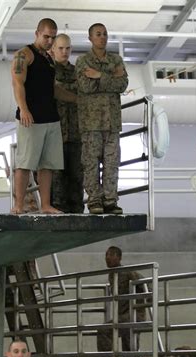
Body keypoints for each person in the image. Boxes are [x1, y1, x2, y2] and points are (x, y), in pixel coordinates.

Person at [10, 18, 76, 215]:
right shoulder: (24, 55)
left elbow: (53, 89)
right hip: (30, 118)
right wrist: (24, 109)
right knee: (25, 163)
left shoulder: (48, 59)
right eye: (46, 36)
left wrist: (77, 99)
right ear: (37, 33)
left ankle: (45, 204)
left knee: (47, 165)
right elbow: (17, 83)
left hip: (51, 118)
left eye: (52, 37)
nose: (49, 40)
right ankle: (19, 205)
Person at [76, 23, 128, 215]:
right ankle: (94, 200)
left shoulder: (116, 59)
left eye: (105, 34)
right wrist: (110, 78)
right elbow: (85, 87)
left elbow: (122, 84)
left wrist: (98, 75)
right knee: (90, 162)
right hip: (91, 122)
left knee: (112, 163)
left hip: (112, 122)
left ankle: (110, 200)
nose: (102, 37)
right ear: (90, 38)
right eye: (98, 34)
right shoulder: (83, 61)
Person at [92, 245, 148, 357]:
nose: (107, 258)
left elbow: (146, 285)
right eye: (106, 255)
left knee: (104, 330)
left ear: (119, 258)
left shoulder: (128, 272)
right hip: (124, 316)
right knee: (128, 350)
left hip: (134, 315)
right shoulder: (112, 274)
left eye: (111, 255)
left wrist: (140, 304)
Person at [50, 33, 84, 213]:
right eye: (61, 48)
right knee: (56, 179)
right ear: (53, 49)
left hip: (76, 133)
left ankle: (77, 212)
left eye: (68, 48)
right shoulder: (48, 70)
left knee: (77, 177)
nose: (64, 52)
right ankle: (57, 213)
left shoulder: (78, 71)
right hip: (55, 133)